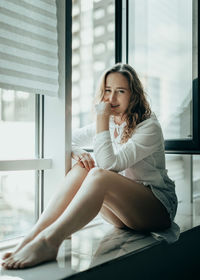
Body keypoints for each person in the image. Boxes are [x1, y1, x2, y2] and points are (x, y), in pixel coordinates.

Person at [1, 63, 178, 269]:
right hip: (124, 214)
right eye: (108, 91)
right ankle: (33, 236)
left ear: (134, 95)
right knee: (83, 167)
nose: (111, 99)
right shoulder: (111, 123)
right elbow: (65, 139)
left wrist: (101, 119)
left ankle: (50, 241)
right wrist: (77, 151)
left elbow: (109, 165)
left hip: (156, 209)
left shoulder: (149, 127)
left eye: (120, 91)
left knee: (98, 174)